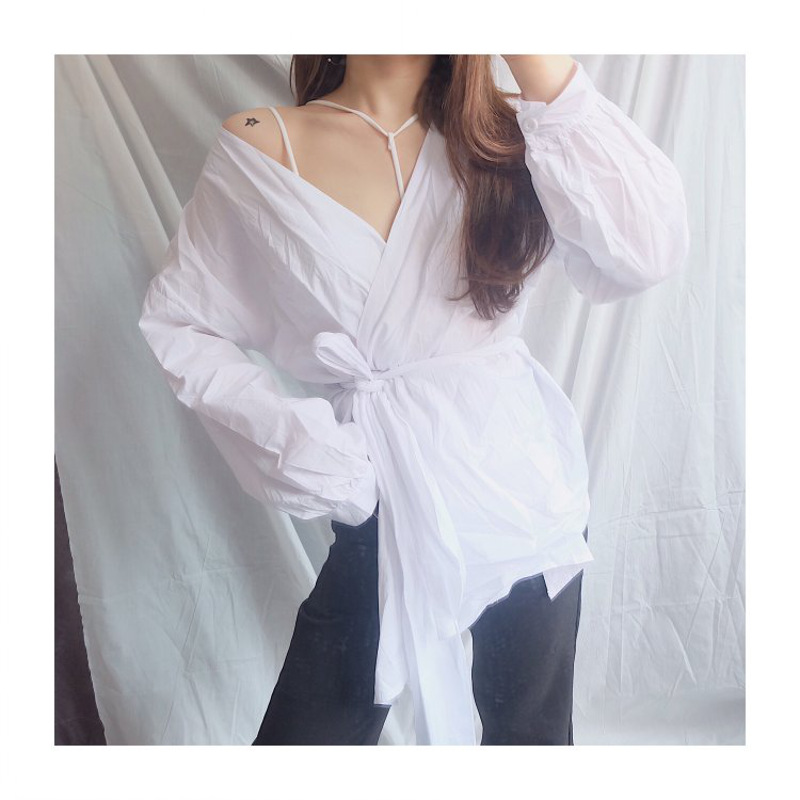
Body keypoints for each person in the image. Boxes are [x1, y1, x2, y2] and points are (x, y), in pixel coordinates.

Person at [138, 55, 690, 746]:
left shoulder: (511, 136)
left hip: (524, 488)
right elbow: (182, 322)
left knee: (532, 740)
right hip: (385, 490)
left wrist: (530, 53)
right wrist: (314, 455)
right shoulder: (262, 143)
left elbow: (645, 249)